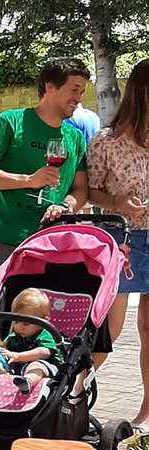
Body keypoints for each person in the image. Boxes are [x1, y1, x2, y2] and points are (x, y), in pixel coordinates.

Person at [0, 57, 91, 299]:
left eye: (82, 92)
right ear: (50, 87)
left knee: (44, 318)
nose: (78, 99)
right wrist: (28, 180)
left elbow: (80, 189)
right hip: (5, 241)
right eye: (74, 90)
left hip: (53, 243)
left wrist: (65, 206)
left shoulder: (75, 137)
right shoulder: (10, 122)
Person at [87, 58, 149, 427]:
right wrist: (118, 203)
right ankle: (68, 394)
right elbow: (90, 192)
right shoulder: (106, 141)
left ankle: (148, 411)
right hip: (122, 238)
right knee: (108, 328)